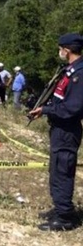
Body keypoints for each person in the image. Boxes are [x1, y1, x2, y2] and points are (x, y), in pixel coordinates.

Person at [29, 32, 83, 231]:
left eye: (60, 48)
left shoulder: (80, 74)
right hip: (59, 127)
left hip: (68, 129)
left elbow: (73, 108)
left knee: (62, 171)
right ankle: (60, 209)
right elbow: (60, 98)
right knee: (56, 170)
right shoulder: (69, 71)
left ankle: (65, 218)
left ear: (67, 50)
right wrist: (43, 107)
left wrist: (46, 110)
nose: (59, 52)